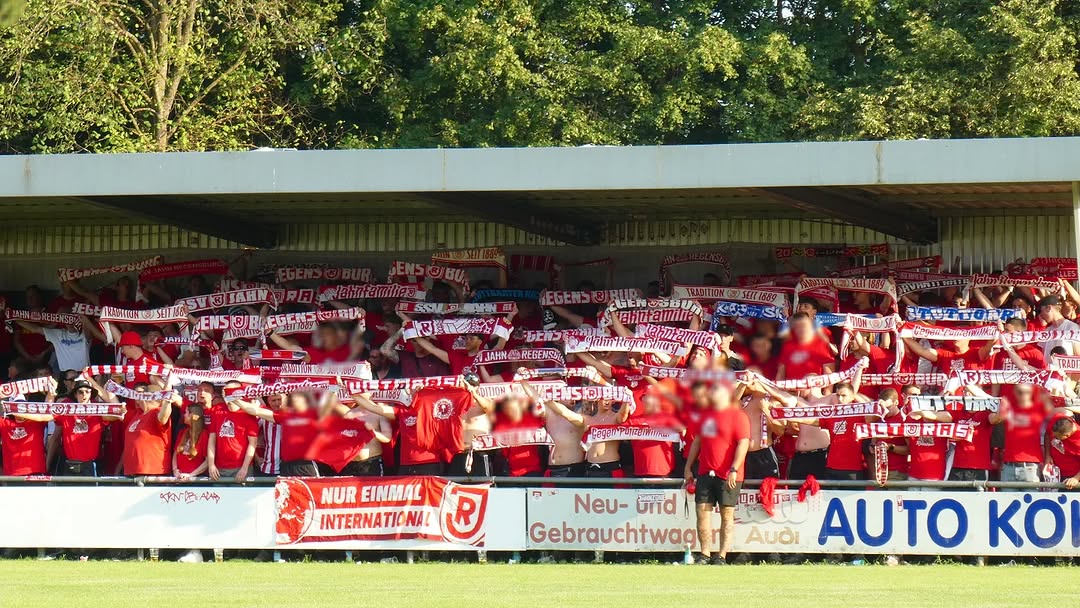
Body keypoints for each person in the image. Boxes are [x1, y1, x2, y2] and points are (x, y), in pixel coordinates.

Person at [683, 382, 750, 565]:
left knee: (726, 514)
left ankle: (721, 555)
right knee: (702, 512)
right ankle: (704, 553)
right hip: (705, 471)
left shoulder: (738, 416)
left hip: (728, 474)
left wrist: (734, 469)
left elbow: (743, 444)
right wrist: (688, 467)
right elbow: (697, 441)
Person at [55, 376, 122, 476]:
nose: (84, 395)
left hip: (90, 464)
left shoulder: (97, 410)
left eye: (87, 391)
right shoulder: (67, 410)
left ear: (91, 394)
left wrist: (120, 412)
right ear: (75, 394)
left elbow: (116, 416)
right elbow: (44, 416)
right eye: (80, 392)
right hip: (70, 463)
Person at [121, 382, 181, 476]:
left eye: (140, 393)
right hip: (131, 471)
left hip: (152, 472)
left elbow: (163, 417)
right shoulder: (138, 413)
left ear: (147, 396)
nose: (137, 396)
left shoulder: (156, 412)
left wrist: (167, 401)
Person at [208, 384, 260, 481]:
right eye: (225, 390)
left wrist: (245, 467)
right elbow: (212, 440)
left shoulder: (248, 414)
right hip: (220, 468)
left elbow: (253, 443)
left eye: (230, 391)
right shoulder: (217, 410)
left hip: (241, 467)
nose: (226, 393)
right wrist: (211, 464)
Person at [173, 403, 209, 479]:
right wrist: (175, 469)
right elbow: (175, 454)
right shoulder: (182, 432)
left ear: (192, 415)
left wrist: (191, 475)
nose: (184, 415)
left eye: (186, 412)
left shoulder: (204, 434)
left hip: (196, 480)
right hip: (179, 478)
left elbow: (208, 461)